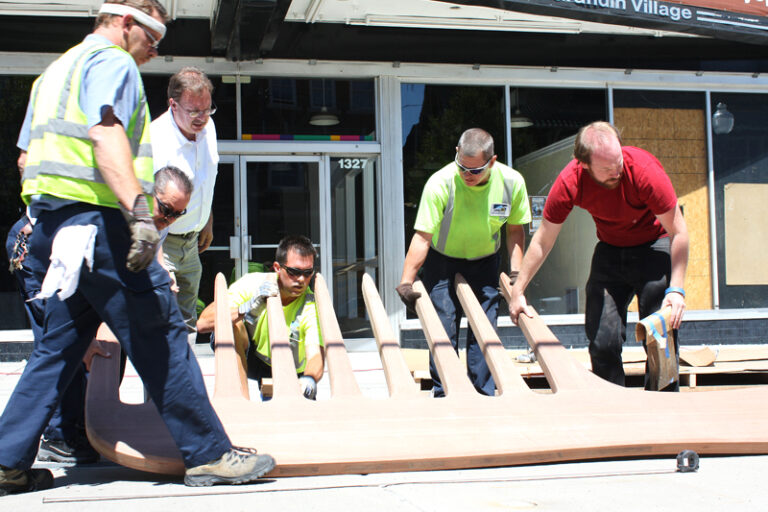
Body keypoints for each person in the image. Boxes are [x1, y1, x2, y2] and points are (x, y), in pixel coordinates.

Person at [0, 1, 274, 497]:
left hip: (55, 226)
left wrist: (54, 217)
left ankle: (6, 462)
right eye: (153, 37)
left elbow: (25, 159)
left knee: (58, 347)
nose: (154, 50)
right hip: (100, 222)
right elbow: (105, 132)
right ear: (126, 24)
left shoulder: (54, 73)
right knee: (162, 330)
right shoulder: (113, 61)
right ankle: (209, 453)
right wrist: (138, 214)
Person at [2, 164, 193, 465]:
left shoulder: (150, 210)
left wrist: (161, 272)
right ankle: (58, 436)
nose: (168, 219)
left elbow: (150, 241)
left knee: (103, 346)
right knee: (60, 350)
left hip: (86, 250)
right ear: (145, 194)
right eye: (166, 210)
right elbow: (61, 257)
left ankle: (81, 425)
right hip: (48, 250)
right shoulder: (115, 202)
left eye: (177, 214)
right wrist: (79, 333)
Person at [507, 121, 689, 391]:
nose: (617, 171)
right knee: (602, 340)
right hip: (610, 250)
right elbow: (543, 240)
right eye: (606, 168)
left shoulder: (643, 170)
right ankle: (611, 404)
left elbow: (679, 232)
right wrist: (518, 290)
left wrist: (676, 290)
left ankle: (664, 406)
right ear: (583, 164)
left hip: (655, 245)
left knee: (660, 334)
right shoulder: (571, 181)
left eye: (618, 163)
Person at [397, 128, 531, 397]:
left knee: (484, 327)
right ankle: (444, 392)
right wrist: (406, 280)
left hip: (485, 262)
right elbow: (422, 237)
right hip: (442, 262)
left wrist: (517, 273)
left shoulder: (511, 182)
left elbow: (515, 231)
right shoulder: (441, 183)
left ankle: (483, 391)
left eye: (476, 170)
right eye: (462, 168)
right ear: (457, 154)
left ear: (492, 161)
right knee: (443, 326)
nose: (467, 176)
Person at [197, 235, 324, 400]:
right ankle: (241, 402)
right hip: (255, 358)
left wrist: (310, 379)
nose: (301, 279)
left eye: (308, 273)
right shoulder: (252, 284)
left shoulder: (310, 306)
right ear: (278, 268)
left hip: (293, 369)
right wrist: (247, 308)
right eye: (294, 272)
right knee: (231, 327)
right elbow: (203, 323)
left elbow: (316, 355)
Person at [150, 67, 219, 340]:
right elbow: (141, 204)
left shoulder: (208, 127)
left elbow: (205, 178)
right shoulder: (155, 140)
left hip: (192, 244)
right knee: (162, 327)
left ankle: (183, 381)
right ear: (173, 104)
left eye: (207, 109)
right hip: (162, 243)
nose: (202, 118)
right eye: (193, 111)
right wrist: (156, 258)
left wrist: (207, 219)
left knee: (186, 327)